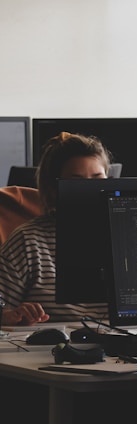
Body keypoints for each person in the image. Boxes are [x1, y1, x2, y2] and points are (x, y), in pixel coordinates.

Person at [0, 131, 111, 325]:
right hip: (54, 349)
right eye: (76, 182)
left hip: (128, 346)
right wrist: (12, 315)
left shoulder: (127, 233)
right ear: (52, 188)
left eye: (97, 180)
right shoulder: (28, 240)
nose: (89, 191)